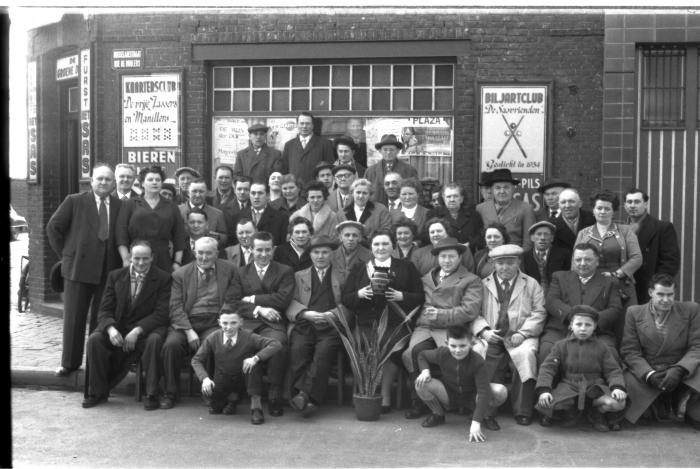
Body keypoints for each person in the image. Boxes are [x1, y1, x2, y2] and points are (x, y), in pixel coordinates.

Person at [47, 163, 122, 377]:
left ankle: (97, 364)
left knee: (102, 319)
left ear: (113, 183)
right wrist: (66, 255)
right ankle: (69, 363)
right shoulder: (74, 201)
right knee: (74, 318)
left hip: (107, 271)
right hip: (78, 270)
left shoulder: (119, 206)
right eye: (99, 179)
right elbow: (53, 228)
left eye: (108, 179)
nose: (103, 182)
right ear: (91, 181)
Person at [342, 229, 425, 412]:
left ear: (393, 245)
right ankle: (365, 392)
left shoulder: (406, 267)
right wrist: (360, 294)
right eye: (377, 244)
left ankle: (386, 396)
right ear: (371, 247)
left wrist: (401, 296)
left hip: (395, 323)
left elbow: (420, 296)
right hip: (366, 321)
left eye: (385, 243)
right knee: (361, 349)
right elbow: (346, 298)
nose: (381, 248)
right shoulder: (359, 268)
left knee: (390, 347)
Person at [82, 240, 171, 410]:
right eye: (137, 258)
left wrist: (138, 330)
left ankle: (152, 393)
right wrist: (110, 328)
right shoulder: (115, 276)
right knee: (95, 339)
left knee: (154, 341)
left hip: (146, 329)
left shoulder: (163, 278)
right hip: (119, 327)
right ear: (130, 258)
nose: (141, 263)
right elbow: (104, 310)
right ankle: (97, 391)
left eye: (145, 258)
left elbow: (161, 314)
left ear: (152, 258)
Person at [402, 237, 483, 420]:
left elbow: (470, 311)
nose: (446, 261)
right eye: (443, 256)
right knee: (411, 353)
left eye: (451, 257)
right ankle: (422, 404)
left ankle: (456, 402)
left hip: (452, 329)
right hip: (426, 327)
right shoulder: (426, 278)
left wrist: (440, 315)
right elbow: (420, 304)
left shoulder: (471, 280)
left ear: (460, 257)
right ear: (437, 258)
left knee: (452, 355)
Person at [471, 244, 546, 426]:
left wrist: (523, 332)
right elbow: (474, 313)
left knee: (526, 356)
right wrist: (484, 331)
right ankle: (487, 411)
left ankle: (523, 411)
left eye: (510, 263)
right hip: (492, 335)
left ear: (518, 262)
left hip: (520, 336)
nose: (505, 267)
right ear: (493, 265)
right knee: (484, 357)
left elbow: (539, 312)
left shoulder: (531, 283)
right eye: (500, 263)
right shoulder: (482, 284)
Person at [160, 237, 237, 410]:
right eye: (200, 253)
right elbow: (175, 307)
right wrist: (188, 330)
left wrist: (223, 321)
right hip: (186, 322)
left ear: (216, 253)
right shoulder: (180, 274)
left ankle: (210, 393)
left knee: (213, 341)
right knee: (171, 345)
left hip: (214, 320)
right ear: (194, 252)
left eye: (208, 253)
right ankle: (171, 392)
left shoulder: (230, 270)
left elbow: (232, 300)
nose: (204, 257)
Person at [228, 231, 295, 417]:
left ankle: (274, 394)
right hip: (249, 322)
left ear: (273, 249)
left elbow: (282, 300)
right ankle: (255, 401)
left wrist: (253, 298)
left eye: (267, 250)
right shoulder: (240, 272)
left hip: (273, 324)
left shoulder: (284, 271)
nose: (263, 254)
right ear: (251, 249)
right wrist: (259, 309)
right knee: (248, 348)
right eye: (259, 250)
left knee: (278, 346)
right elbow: (233, 301)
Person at [620, 273, 700, 429]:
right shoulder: (634, 312)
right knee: (626, 376)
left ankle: (693, 411)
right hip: (651, 367)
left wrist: (680, 369)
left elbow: (697, 346)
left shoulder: (691, 310)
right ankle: (654, 403)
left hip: (680, 366)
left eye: (670, 295)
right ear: (651, 293)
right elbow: (630, 351)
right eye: (660, 294)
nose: (666, 300)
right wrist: (649, 375)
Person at [536, 305, 628, 431]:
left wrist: (617, 387)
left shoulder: (602, 347)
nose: (583, 329)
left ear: (595, 326)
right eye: (578, 324)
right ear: (571, 325)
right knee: (546, 404)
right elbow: (548, 368)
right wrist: (544, 390)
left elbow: (613, 370)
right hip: (570, 385)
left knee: (618, 403)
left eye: (588, 325)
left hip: (594, 387)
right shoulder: (561, 346)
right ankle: (570, 411)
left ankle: (596, 411)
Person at [286, 235, 347, 418]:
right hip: (305, 323)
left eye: (325, 252)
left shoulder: (343, 275)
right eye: (316, 252)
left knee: (323, 353)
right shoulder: (299, 276)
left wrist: (333, 314)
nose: (320, 256)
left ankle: (304, 396)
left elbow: (350, 303)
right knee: (298, 350)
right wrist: (305, 313)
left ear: (332, 254)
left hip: (331, 326)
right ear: (310, 254)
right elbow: (290, 301)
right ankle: (305, 397)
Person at [191, 307, 282, 425]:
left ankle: (256, 408)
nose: (228, 327)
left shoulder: (249, 337)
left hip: (244, 378)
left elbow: (276, 344)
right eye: (225, 323)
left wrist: (255, 358)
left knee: (254, 367)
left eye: (233, 323)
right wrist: (205, 379)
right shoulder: (213, 337)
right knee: (215, 408)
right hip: (223, 377)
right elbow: (196, 360)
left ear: (241, 322)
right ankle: (232, 399)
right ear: (219, 322)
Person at [414, 325, 502, 442]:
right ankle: (438, 414)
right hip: (449, 394)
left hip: (472, 397)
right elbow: (422, 355)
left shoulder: (477, 361)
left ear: (471, 343)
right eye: (453, 346)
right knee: (420, 383)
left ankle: (486, 416)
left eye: (463, 346)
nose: (458, 350)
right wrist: (425, 371)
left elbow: (484, 392)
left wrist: (476, 422)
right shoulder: (442, 353)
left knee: (500, 391)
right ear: (446, 343)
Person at [541, 243, 623, 366]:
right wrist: (573, 318)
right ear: (573, 261)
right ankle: (548, 384)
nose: (582, 263)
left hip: (597, 331)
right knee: (547, 349)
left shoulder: (609, 281)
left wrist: (590, 322)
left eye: (588, 259)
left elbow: (615, 309)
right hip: (561, 329)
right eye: (578, 259)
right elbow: (552, 301)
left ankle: (606, 385)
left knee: (610, 352)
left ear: (597, 261)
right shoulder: (559, 277)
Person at [575, 190, 642, 307]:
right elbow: (574, 261)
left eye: (607, 209)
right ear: (593, 210)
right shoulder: (583, 234)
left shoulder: (626, 232)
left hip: (621, 285)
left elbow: (636, 258)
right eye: (599, 208)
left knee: (624, 322)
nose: (602, 212)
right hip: (591, 284)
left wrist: (616, 274)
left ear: (613, 211)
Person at [116, 165, 186, 273]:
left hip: (163, 259)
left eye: (158, 180)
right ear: (142, 183)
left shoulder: (172, 206)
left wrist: (177, 262)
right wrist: (125, 259)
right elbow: (121, 234)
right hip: (137, 258)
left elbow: (179, 236)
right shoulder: (130, 204)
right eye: (150, 179)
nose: (154, 182)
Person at [623, 188, 681, 304]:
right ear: (624, 205)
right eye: (629, 202)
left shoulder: (662, 227)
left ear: (645, 204)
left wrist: (656, 285)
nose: (632, 205)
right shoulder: (619, 229)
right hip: (624, 287)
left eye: (637, 202)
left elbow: (670, 262)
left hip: (648, 288)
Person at [476, 168, 536, 251]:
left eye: (506, 187)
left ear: (513, 189)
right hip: (489, 259)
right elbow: (479, 241)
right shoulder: (480, 209)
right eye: (497, 188)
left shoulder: (526, 208)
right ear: (492, 190)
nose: (502, 191)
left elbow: (528, 244)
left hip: (514, 259)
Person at [282, 112, 335, 186]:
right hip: (295, 190)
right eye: (302, 123)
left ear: (313, 125)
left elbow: (330, 167)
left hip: (316, 189)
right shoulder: (289, 145)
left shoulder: (325, 144)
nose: (304, 126)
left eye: (307, 123)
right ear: (297, 125)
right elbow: (285, 169)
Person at [427, 182, 484, 253]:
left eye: (455, 196)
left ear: (462, 198)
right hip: (443, 254)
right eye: (448, 196)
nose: (452, 199)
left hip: (469, 253)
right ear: (443, 198)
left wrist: (469, 244)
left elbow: (481, 236)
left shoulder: (474, 215)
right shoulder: (433, 214)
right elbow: (427, 236)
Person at [521, 220, 571, 296]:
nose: (542, 238)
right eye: (539, 234)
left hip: (558, 295)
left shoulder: (564, 255)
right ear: (532, 238)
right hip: (531, 296)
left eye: (546, 234)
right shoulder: (524, 257)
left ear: (552, 238)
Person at [411, 217, 475, 276]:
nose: (435, 234)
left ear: (447, 233)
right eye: (432, 232)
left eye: (439, 231)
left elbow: (470, 273)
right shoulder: (418, 254)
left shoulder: (463, 250)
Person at [365, 134, 418, 204]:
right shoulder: (370, 171)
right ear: (380, 151)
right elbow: (365, 192)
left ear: (398, 151)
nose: (388, 152)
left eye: (391, 150)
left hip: (401, 210)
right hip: (377, 210)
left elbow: (416, 192)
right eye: (385, 149)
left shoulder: (409, 170)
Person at [337, 178, 392, 243]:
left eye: (365, 193)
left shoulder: (381, 210)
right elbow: (338, 234)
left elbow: (386, 230)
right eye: (358, 192)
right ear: (352, 193)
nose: (361, 196)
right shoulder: (342, 213)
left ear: (370, 195)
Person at [178, 178, 229, 247]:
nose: (197, 195)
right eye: (194, 191)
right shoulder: (177, 211)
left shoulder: (217, 214)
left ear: (206, 193)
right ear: (188, 193)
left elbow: (224, 238)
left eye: (201, 192)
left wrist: (209, 236)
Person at [553, 188, 595, 252]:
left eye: (571, 201)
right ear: (559, 205)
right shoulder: (553, 226)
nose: (567, 205)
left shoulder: (593, 220)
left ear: (580, 204)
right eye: (563, 202)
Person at [330, 220, 372, 285]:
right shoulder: (330, 256)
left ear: (360, 238)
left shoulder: (369, 256)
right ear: (340, 237)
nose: (351, 238)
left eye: (355, 235)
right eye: (347, 235)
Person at [248, 182, 289, 246]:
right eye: (253, 193)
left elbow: (283, 245)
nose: (256, 196)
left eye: (260, 193)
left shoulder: (281, 218)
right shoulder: (239, 215)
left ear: (267, 196)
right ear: (249, 195)